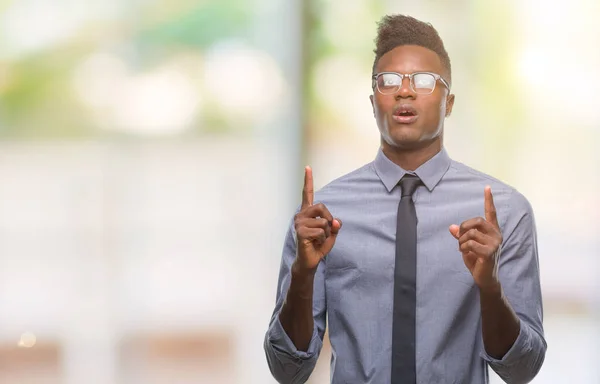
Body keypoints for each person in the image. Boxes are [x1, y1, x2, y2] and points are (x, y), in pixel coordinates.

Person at [263, 14, 546, 384]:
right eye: (389, 81)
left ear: (449, 102)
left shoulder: (505, 212)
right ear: (373, 101)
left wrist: (490, 287)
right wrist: (303, 273)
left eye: (425, 81)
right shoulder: (322, 217)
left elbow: (522, 370)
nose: (405, 91)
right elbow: (288, 371)